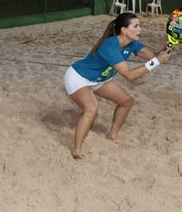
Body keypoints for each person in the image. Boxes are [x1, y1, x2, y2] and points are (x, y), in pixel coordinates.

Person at [64, 12, 171, 159]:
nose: (140, 29)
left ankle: (113, 135)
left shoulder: (132, 43)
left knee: (127, 101)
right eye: (136, 26)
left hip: (99, 79)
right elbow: (129, 76)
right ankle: (76, 150)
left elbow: (153, 57)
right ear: (124, 30)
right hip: (79, 77)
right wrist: (157, 61)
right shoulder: (110, 45)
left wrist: (163, 52)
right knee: (91, 109)